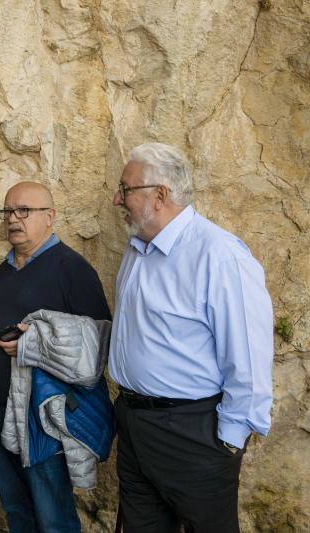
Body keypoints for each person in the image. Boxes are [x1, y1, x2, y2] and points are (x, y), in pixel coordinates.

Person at [110, 143, 273, 533]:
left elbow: (248, 357)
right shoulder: (137, 249)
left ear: (160, 195)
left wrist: (228, 444)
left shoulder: (219, 256)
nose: (117, 199)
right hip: (134, 423)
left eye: (126, 189)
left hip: (191, 431)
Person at [0, 181, 111, 532]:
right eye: (8, 211)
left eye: (24, 211)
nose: (13, 219)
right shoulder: (6, 269)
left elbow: (97, 342)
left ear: (49, 217)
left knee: (53, 517)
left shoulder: (71, 268)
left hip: (40, 415)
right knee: (17, 510)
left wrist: (32, 346)